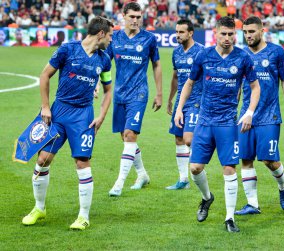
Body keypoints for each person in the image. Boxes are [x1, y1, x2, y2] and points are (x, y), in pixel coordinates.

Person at [21, 16, 114, 230]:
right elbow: (45, 75)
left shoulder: (104, 59)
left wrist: (101, 116)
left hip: (83, 116)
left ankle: (83, 216)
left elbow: (108, 90)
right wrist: (45, 106)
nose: (110, 40)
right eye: (109, 35)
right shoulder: (67, 49)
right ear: (100, 33)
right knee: (43, 159)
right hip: (59, 112)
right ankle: (39, 208)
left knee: (82, 162)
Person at [174, 16, 261, 232]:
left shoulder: (243, 58)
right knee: (194, 168)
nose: (227, 38)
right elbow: (189, 83)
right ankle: (207, 197)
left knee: (229, 168)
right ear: (216, 33)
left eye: (231, 34)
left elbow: (256, 87)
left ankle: (229, 218)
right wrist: (178, 109)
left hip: (227, 123)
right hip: (204, 121)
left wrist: (249, 112)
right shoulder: (204, 56)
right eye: (223, 34)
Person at [234, 16, 284, 216]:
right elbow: (237, 85)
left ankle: (283, 187)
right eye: (245, 32)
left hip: (270, 115)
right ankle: (252, 204)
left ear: (262, 30)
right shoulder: (241, 54)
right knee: (245, 159)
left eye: (251, 31)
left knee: (269, 160)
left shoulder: (276, 52)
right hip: (246, 115)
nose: (248, 35)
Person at [106, 2, 162, 196]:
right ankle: (142, 174)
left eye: (139, 17)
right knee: (124, 137)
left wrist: (159, 93)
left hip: (139, 94)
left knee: (130, 135)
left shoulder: (149, 39)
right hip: (119, 94)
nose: (136, 20)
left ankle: (119, 183)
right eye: (132, 17)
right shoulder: (115, 38)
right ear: (124, 16)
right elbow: (105, 62)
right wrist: (97, 84)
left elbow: (156, 65)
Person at [166, 19, 204, 190]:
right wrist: (170, 99)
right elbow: (175, 77)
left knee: (189, 139)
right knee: (179, 138)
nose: (178, 35)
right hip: (181, 102)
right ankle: (183, 180)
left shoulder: (201, 52)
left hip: (197, 101)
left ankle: (199, 168)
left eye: (181, 32)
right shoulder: (176, 53)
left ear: (190, 33)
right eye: (176, 32)